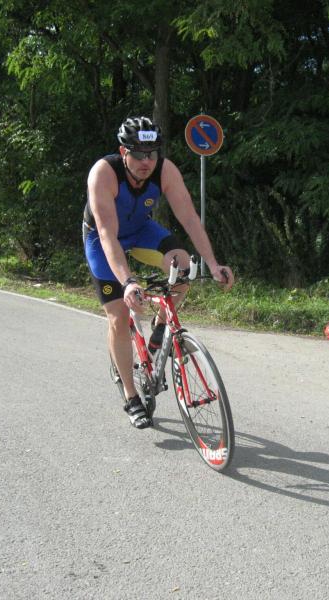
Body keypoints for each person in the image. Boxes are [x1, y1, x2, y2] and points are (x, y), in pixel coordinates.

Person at [83, 116, 234, 429]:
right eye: (138, 154)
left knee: (184, 268)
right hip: (103, 240)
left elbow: (189, 218)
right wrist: (128, 282)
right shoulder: (104, 173)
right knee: (118, 317)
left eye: (151, 154)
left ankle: (160, 328)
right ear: (123, 152)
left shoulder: (165, 170)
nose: (146, 162)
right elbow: (108, 234)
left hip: (142, 232)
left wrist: (213, 263)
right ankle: (131, 396)